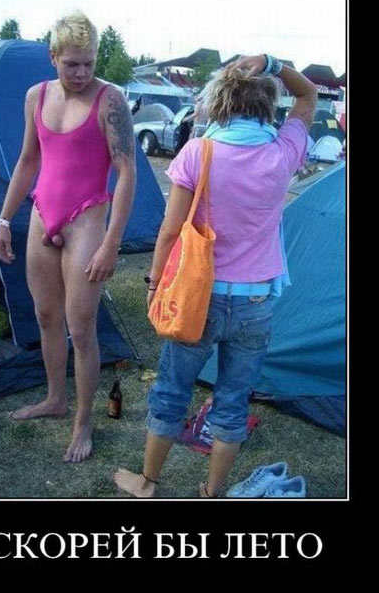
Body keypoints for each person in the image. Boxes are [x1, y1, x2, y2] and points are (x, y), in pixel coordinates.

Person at [114, 53, 317, 497]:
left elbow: (170, 231)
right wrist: (271, 63)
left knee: (172, 390)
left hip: (197, 299)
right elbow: (308, 95)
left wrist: (155, 284)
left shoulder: (198, 152)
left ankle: (148, 483)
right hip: (255, 303)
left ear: (220, 101)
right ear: (266, 104)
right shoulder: (282, 153)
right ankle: (212, 492)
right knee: (232, 401)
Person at [0, 11, 136, 462]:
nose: (81, 73)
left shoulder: (110, 100)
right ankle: (56, 399)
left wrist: (112, 242)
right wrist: (3, 220)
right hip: (43, 213)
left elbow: (127, 172)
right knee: (46, 316)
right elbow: (27, 160)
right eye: (72, 64)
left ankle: (83, 421)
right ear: (53, 57)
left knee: (82, 328)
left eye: (89, 63)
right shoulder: (36, 96)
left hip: (86, 219)